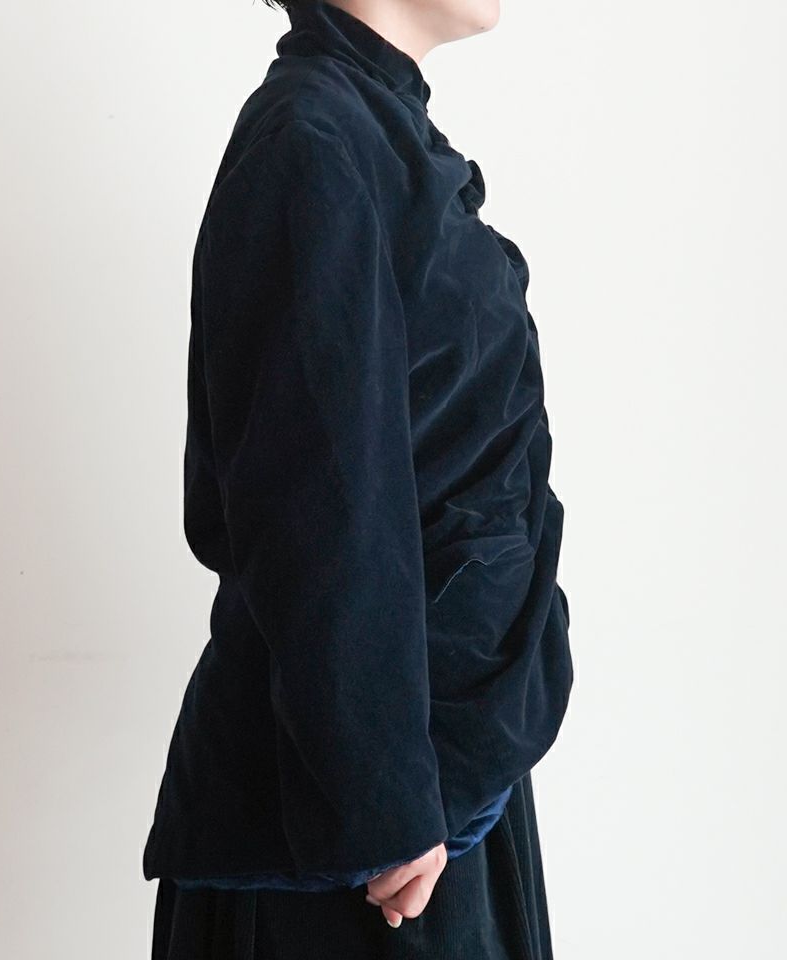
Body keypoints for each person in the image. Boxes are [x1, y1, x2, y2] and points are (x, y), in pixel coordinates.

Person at [142, 1, 574, 957]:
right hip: (361, 840)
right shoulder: (311, 139)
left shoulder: (375, 132)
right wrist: (385, 807)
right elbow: (314, 498)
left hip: (435, 790)